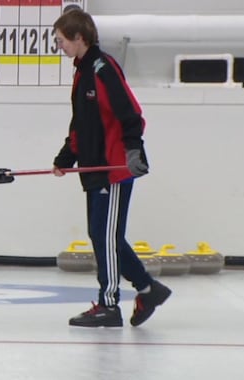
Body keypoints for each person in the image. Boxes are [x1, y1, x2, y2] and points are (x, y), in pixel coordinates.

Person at [51, 9, 171, 327]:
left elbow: (131, 113)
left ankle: (109, 305)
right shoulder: (83, 72)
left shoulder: (104, 69)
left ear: (79, 38)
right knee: (103, 235)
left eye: (61, 40)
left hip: (114, 169)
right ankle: (148, 289)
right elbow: (81, 124)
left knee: (106, 236)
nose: (59, 46)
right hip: (93, 170)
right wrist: (66, 158)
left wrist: (133, 150)